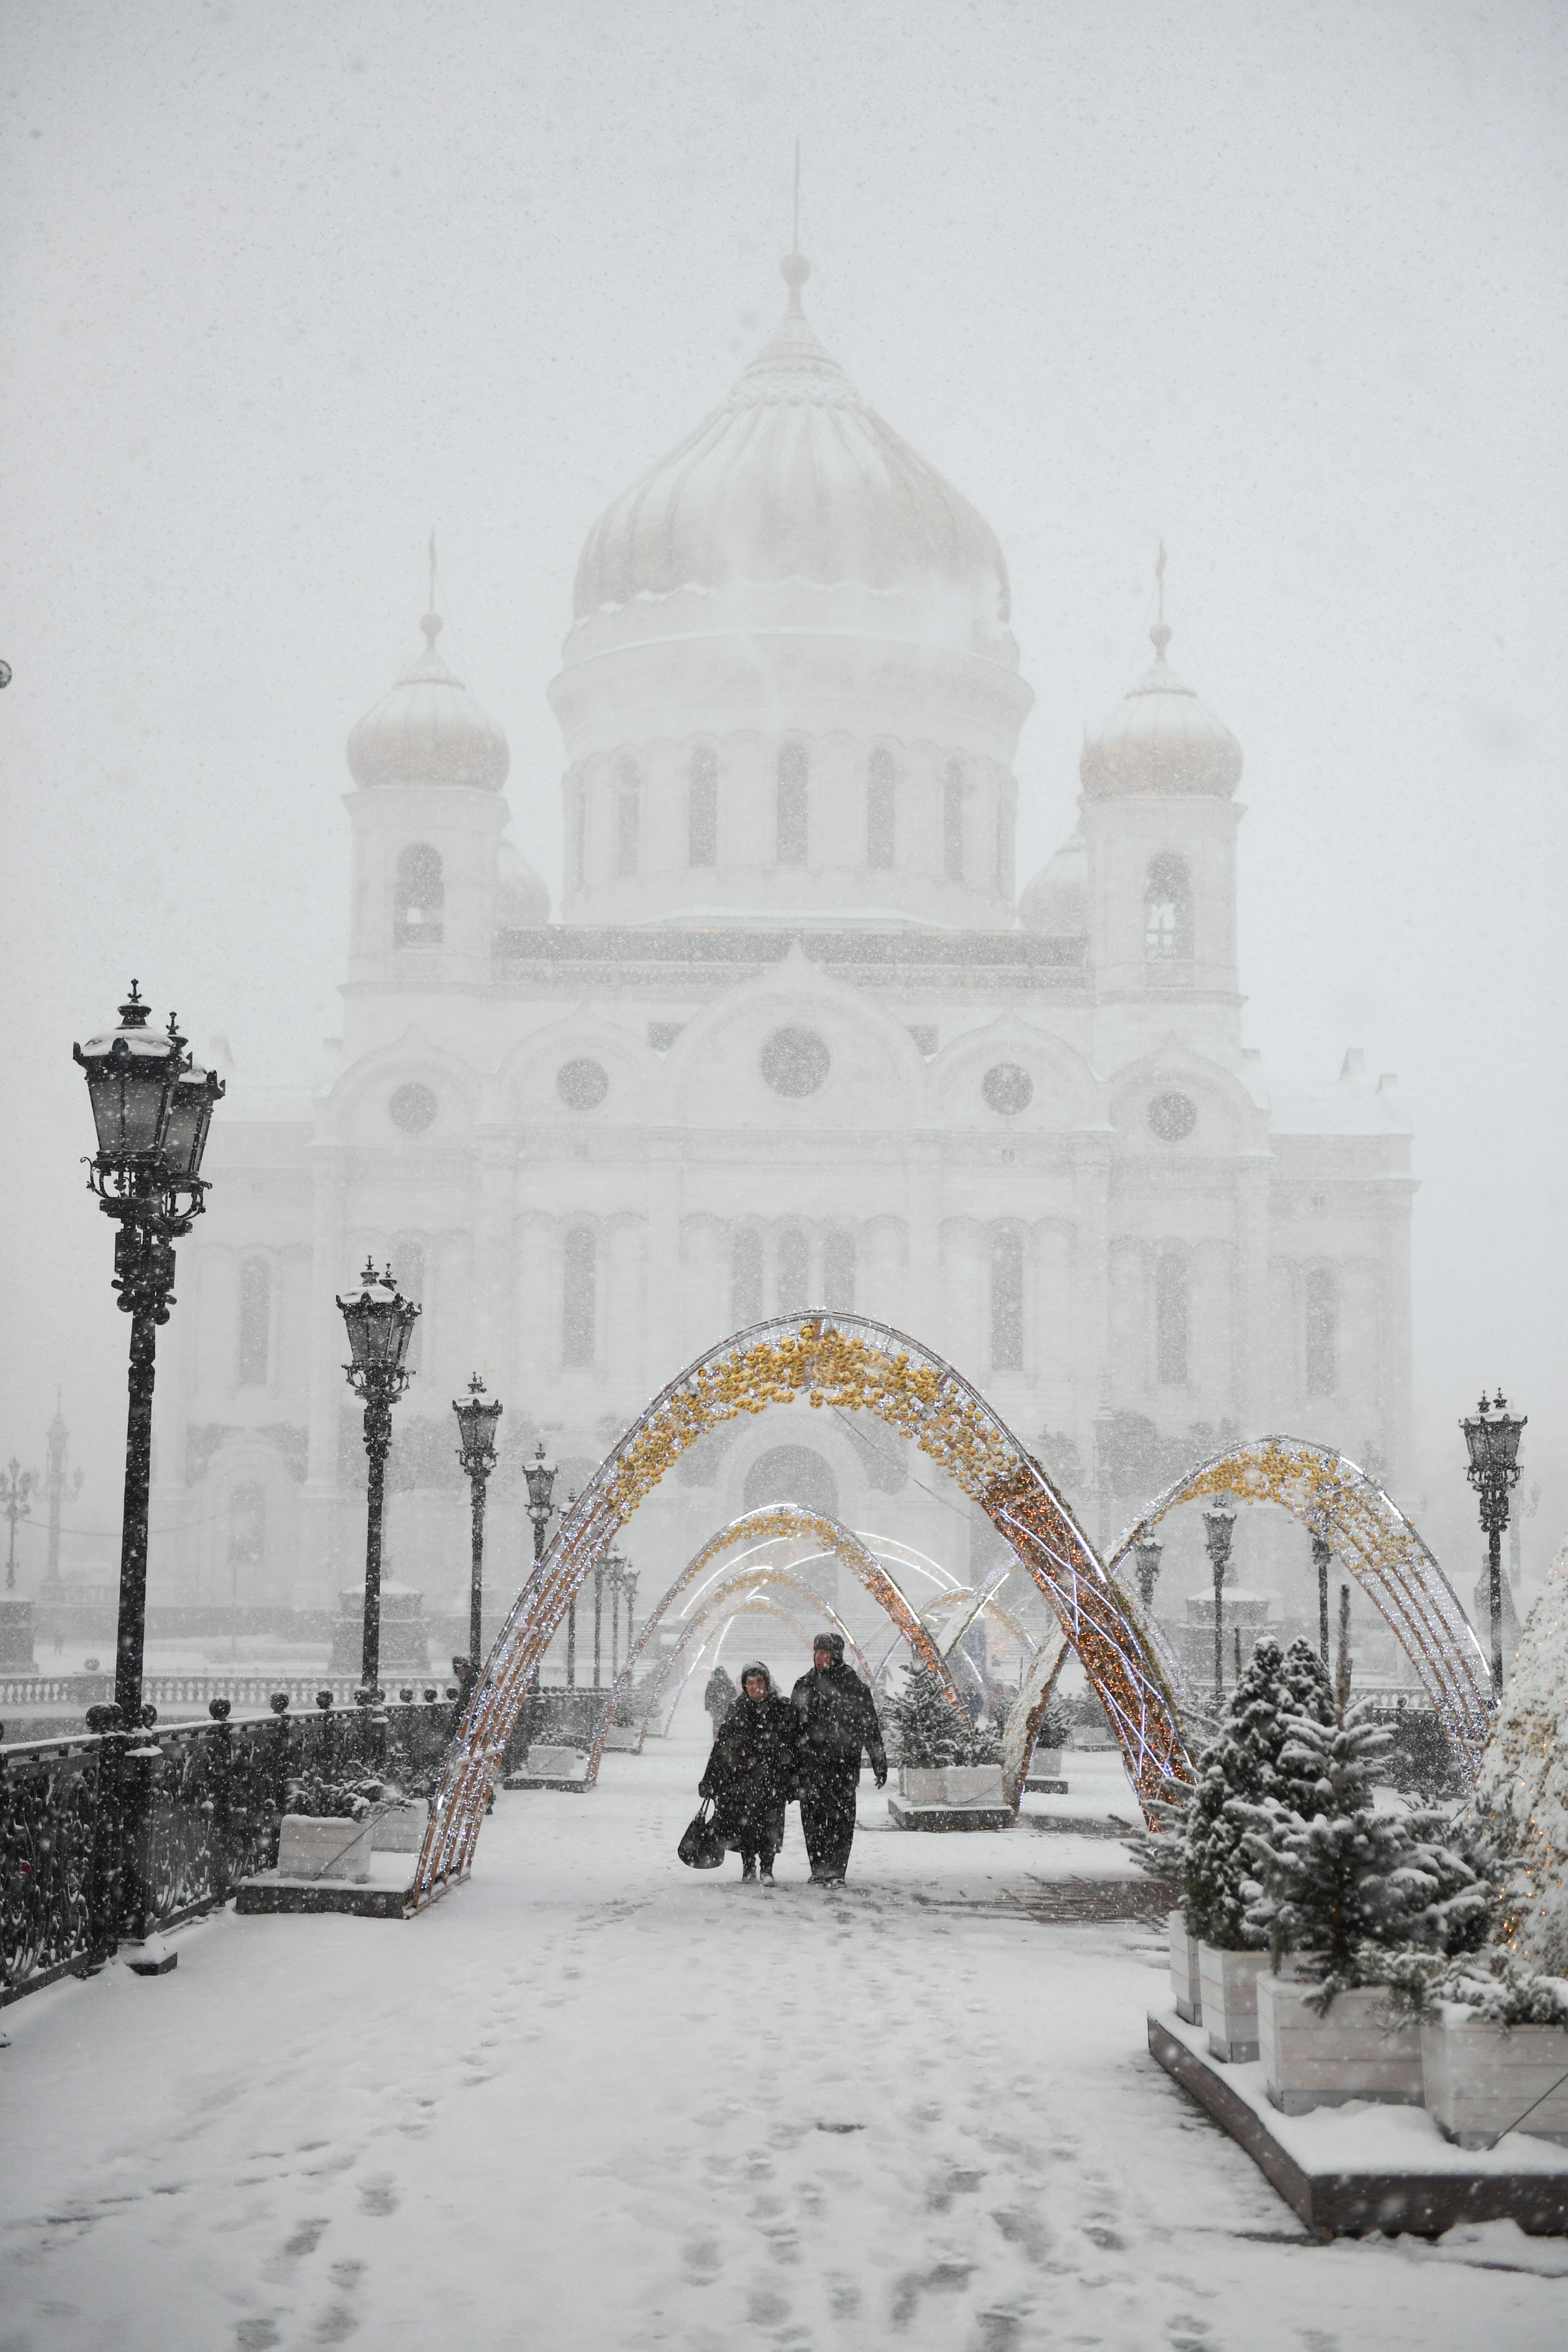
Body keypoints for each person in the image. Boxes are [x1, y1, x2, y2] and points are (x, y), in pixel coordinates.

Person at [790, 1631, 887, 1886]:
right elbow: (792, 1729)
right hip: (811, 1767)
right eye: (817, 1653)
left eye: (825, 1653)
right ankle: (819, 1868)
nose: (819, 1658)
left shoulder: (853, 1686)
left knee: (841, 1821)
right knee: (813, 1820)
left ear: (836, 1656)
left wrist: (879, 1762)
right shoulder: (805, 1685)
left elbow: (870, 1727)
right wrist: (789, 1765)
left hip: (842, 1767)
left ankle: (837, 1870)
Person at [697, 1660, 797, 1884]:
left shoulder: (782, 1708)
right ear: (744, 1686)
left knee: (771, 1826)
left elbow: (794, 1746)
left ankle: (768, 1869)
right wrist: (710, 1779)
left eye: (760, 1681)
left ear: (767, 1683)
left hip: (772, 1781)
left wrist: (793, 1778)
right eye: (750, 1682)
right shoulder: (737, 1710)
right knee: (746, 1826)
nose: (755, 1686)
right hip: (742, 1782)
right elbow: (721, 1748)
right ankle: (749, 1867)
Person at [703, 1658, 737, 1740]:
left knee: (717, 1724)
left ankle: (717, 1739)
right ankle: (725, 1738)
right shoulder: (728, 1682)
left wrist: (709, 1707)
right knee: (727, 1724)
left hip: (716, 1708)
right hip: (726, 1707)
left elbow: (708, 1696)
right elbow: (734, 1695)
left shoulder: (712, 1683)